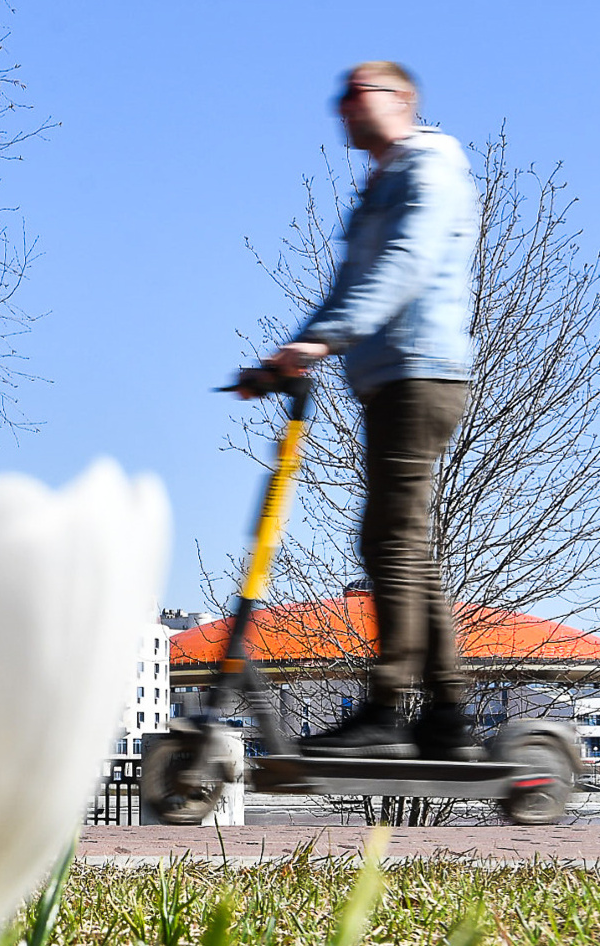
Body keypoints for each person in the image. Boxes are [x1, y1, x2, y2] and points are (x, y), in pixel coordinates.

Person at [242, 60, 480, 759]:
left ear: (401, 101)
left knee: (392, 542)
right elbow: (346, 286)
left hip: (420, 374)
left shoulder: (430, 168)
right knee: (398, 545)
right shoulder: (379, 184)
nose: (342, 106)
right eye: (338, 96)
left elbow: (402, 266)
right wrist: (282, 357)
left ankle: (387, 710)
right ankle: (446, 716)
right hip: (386, 379)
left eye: (356, 94)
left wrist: (322, 340)